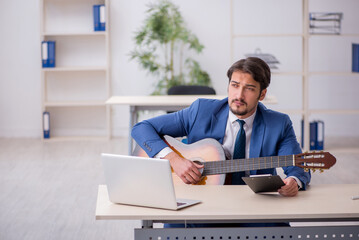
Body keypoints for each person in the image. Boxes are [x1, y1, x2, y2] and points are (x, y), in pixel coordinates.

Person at [131, 57, 311, 197]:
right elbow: (141, 128)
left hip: (253, 204)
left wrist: (294, 181)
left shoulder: (279, 124)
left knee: (276, 230)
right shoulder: (201, 111)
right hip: (200, 197)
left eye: (248, 88)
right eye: (234, 85)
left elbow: (298, 166)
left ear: (262, 94)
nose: (239, 95)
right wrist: (173, 159)